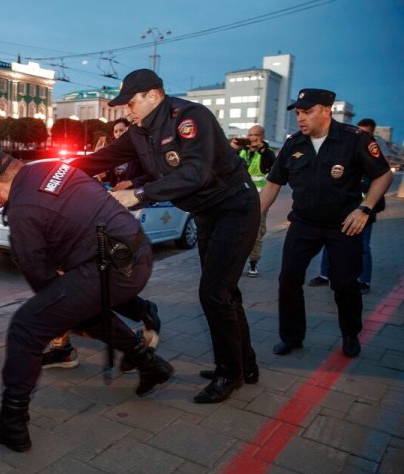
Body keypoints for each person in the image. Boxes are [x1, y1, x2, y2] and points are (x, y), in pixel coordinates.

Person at [68, 69, 261, 404]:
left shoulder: (189, 117)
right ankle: (244, 364)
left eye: (130, 103)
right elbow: (101, 158)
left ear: (153, 95)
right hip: (206, 212)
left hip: (235, 205)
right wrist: (54, 170)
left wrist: (139, 194)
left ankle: (229, 373)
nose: (126, 111)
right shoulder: (138, 132)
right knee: (226, 291)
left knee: (214, 292)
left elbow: (195, 172)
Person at [0, 151, 174, 452]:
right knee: (79, 308)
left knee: (26, 327)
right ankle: (150, 364)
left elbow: (41, 280)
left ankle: (11, 422)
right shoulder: (57, 169)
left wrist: (60, 305)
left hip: (111, 268)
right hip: (136, 253)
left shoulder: (22, 209)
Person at [260, 89, 392, 358]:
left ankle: (351, 334)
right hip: (303, 224)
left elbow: (383, 175)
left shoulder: (354, 139)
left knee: (345, 284)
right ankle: (292, 337)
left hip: (343, 225)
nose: (300, 118)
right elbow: (273, 184)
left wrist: (364, 209)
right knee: (288, 280)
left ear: (326, 111)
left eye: (307, 112)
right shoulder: (293, 144)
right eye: (298, 113)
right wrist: (254, 219)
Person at [42, 117, 161, 371]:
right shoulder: (116, 154)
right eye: (115, 131)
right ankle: (65, 345)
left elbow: (157, 177)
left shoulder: (144, 151)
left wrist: (134, 185)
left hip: (127, 215)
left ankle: (136, 337)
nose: (118, 135)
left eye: (122, 131)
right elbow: (97, 172)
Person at [307, 118, 386, 294]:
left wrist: (366, 208)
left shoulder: (372, 153)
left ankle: (364, 281)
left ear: (372, 133)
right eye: (359, 131)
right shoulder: (348, 150)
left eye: (365, 132)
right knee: (329, 242)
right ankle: (325, 275)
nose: (360, 135)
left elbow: (380, 180)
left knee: (363, 247)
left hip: (364, 211)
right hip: (341, 209)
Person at [230, 125, 276, 277]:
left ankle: (253, 263)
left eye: (256, 134)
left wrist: (262, 149)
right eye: (250, 134)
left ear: (262, 136)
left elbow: (271, 165)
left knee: (256, 232)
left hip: (258, 200)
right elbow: (226, 163)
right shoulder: (242, 151)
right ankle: (235, 262)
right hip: (238, 198)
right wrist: (233, 148)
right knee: (235, 231)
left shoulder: (267, 153)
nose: (252, 137)